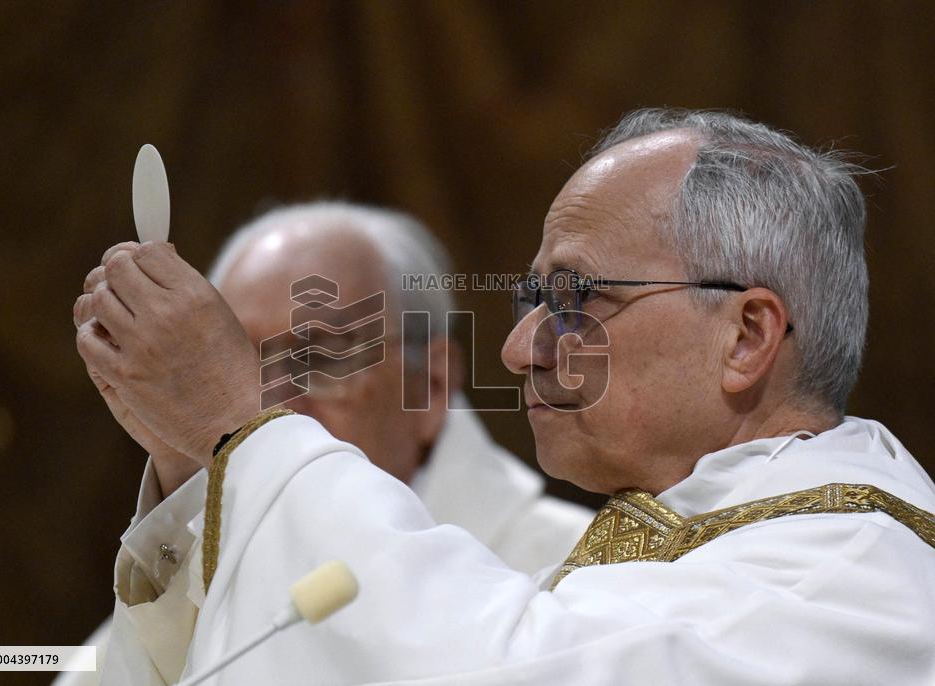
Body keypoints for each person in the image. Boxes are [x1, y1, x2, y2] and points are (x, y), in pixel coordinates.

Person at [75, 108, 935, 685]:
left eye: (573, 300)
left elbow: (500, 670)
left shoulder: (850, 571)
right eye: (531, 303)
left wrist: (242, 426)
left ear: (746, 336)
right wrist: (208, 468)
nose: (522, 349)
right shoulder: (718, 538)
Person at [62, 202, 592, 686]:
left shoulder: (579, 578)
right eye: (234, 367)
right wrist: (180, 469)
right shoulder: (169, 598)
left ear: (430, 384)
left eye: (317, 357)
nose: (267, 405)